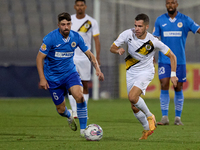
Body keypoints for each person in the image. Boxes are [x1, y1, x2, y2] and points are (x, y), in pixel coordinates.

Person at [110, 13, 178, 140]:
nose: (136, 28)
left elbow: (172, 56)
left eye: (140, 26)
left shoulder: (153, 41)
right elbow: (112, 47)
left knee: (132, 96)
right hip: (131, 71)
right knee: (133, 104)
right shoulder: (127, 34)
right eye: (135, 25)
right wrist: (117, 50)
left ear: (146, 27)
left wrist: (173, 75)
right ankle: (147, 129)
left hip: (146, 71)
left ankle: (149, 115)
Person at [36, 12, 104, 137]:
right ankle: (69, 115)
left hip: (70, 74)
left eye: (68, 24)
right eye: (63, 24)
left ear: (71, 24)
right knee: (61, 110)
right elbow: (39, 58)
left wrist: (98, 70)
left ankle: (83, 131)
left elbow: (89, 54)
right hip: (53, 78)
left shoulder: (76, 37)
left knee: (80, 96)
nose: (66, 27)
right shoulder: (50, 38)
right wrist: (42, 78)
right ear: (58, 25)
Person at [153, 0, 200, 125]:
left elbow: (198, 29)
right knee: (164, 84)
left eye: (173, 3)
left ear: (177, 5)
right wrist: (151, 55)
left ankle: (178, 118)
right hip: (164, 60)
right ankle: (164, 117)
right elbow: (154, 39)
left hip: (179, 61)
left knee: (178, 87)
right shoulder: (160, 20)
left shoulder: (185, 20)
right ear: (165, 5)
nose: (170, 5)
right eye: (168, 3)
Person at [68, 0, 101, 118]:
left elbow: (96, 41)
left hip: (85, 57)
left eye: (82, 5)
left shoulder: (91, 22)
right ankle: (75, 111)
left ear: (85, 7)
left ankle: (83, 110)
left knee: (84, 84)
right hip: (71, 57)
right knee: (71, 83)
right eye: (78, 5)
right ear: (74, 7)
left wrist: (96, 58)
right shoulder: (70, 21)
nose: (80, 7)